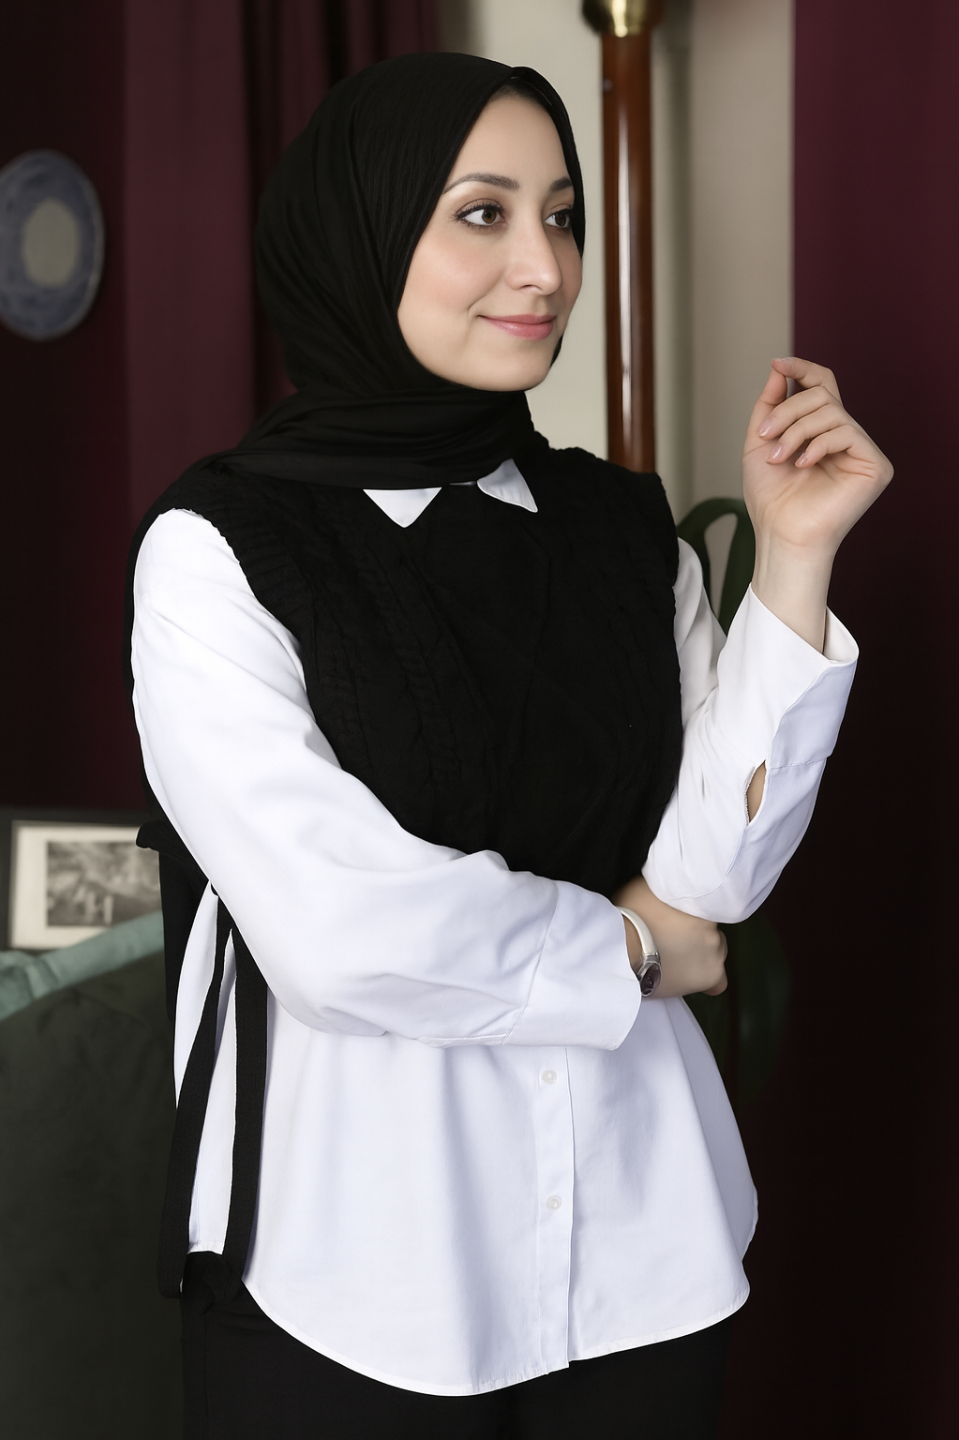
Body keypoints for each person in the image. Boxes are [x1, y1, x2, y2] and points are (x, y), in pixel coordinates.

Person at [124, 52, 891, 1440]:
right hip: (355, 1276)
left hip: (644, 1248)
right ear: (361, 233)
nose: (544, 267)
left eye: (563, 215)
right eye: (482, 213)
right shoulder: (219, 549)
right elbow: (341, 932)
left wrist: (792, 559)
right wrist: (633, 952)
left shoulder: (620, 530)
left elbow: (713, 874)